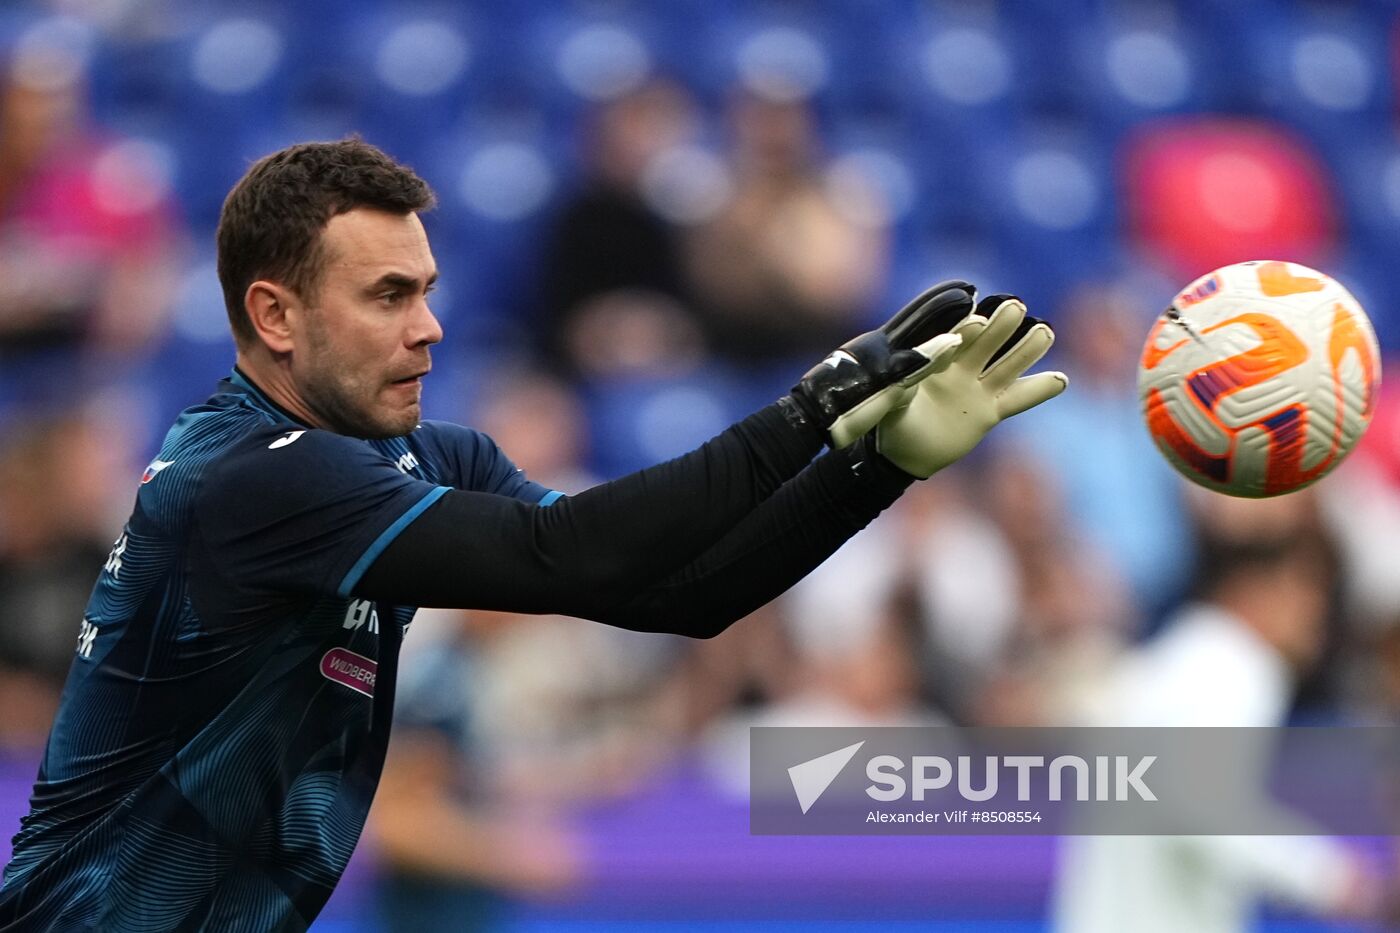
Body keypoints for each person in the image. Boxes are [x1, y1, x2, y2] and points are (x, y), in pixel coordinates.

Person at [0, 138, 1065, 932]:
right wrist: (812, 407)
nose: (429, 326)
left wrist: (877, 466)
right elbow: (581, 554)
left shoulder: (416, 457)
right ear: (274, 318)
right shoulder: (244, 479)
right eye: (385, 296)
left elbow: (671, 594)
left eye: (425, 291)